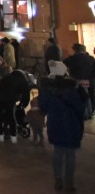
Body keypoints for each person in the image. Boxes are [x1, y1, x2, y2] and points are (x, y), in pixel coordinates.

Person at [39, 60, 88, 192]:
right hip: (71, 124)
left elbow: (43, 106)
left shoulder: (46, 88)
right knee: (70, 155)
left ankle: (58, 179)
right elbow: (79, 107)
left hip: (54, 123)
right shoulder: (72, 88)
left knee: (57, 153)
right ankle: (69, 183)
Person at [0, 68, 31, 143]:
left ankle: (1, 136)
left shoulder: (7, 77)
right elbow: (26, 96)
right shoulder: (23, 81)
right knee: (11, 117)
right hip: (9, 99)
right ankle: (13, 137)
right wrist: (22, 105)